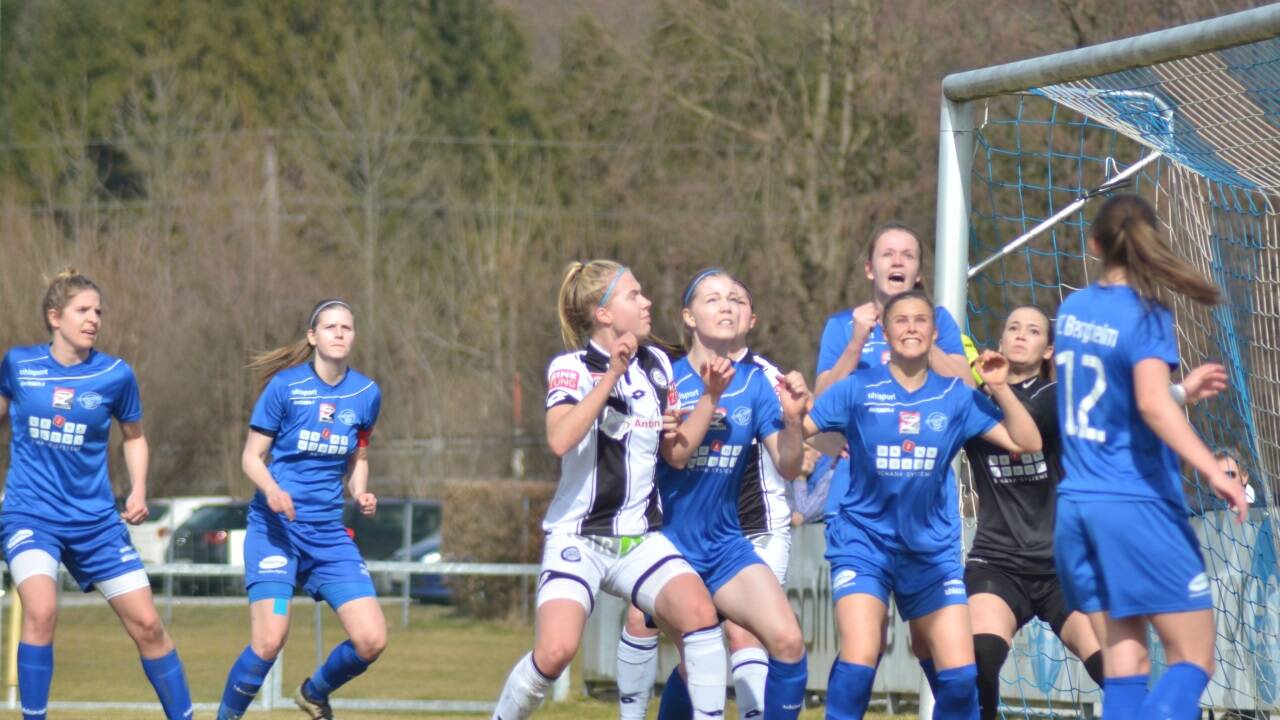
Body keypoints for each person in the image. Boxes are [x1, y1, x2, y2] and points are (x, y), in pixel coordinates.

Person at [495, 261, 728, 720]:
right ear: (603, 314)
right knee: (556, 652)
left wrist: (711, 397)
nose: (647, 303)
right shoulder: (571, 367)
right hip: (579, 538)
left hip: (639, 539)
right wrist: (609, 378)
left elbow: (676, 454)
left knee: (700, 615)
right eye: (634, 295)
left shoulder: (657, 364)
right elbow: (560, 439)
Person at [802, 288, 1043, 720]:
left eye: (920, 320)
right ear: (887, 332)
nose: (911, 327)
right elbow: (799, 435)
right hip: (864, 543)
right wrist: (787, 417)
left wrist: (1000, 388)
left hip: (931, 552)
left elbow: (1027, 442)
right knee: (859, 660)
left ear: (934, 332)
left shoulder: (955, 396)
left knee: (960, 678)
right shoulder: (857, 388)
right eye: (901, 320)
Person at [1052, 194, 1248, 720]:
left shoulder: (1071, 312)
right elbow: (1150, 407)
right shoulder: (1145, 314)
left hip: (1076, 509)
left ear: (1094, 244)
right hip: (1133, 506)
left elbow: (1106, 402)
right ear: (1150, 243)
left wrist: (1178, 391)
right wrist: (1215, 471)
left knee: (1127, 665)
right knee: (1193, 657)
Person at [0, 269, 194, 720]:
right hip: (31, 516)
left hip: (96, 522)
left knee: (148, 625)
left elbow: (134, 436)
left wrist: (139, 489)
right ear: (55, 317)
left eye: (98, 311)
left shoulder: (115, 374)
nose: (94, 319)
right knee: (42, 610)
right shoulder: (18, 364)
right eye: (83, 310)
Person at [617, 273, 806, 720]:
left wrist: (794, 422)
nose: (726, 306)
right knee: (697, 661)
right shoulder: (663, 378)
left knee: (789, 643)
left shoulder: (757, 384)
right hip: (666, 548)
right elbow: (677, 456)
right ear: (688, 316)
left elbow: (789, 465)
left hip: (725, 545)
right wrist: (708, 397)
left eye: (736, 298)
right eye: (713, 298)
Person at [216, 299, 386, 720]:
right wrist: (272, 490)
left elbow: (358, 458)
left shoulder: (366, 394)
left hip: (328, 536)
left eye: (347, 326)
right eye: (331, 326)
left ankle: (314, 692)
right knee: (270, 641)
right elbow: (251, 457)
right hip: (276, 531)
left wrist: (360, 493)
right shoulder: (286, 388)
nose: (340, 333)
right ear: (313, 336)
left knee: (371, 640)